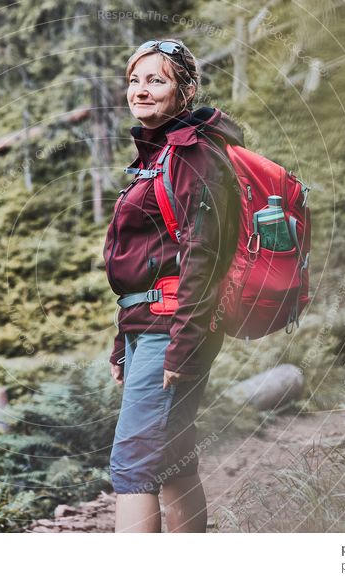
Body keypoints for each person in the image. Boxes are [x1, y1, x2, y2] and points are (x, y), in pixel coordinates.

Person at [103, 39, 244, 533]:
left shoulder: (192, 156)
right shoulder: (161, 152)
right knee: (172, 461)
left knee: (134, 468)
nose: (141, 91)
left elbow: (202, 255)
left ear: (184, 91)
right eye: (135, 80)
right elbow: (147, 261)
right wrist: (125, 338)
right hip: (154, 324)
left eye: (156, 80)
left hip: (173, 327)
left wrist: (182, 347)